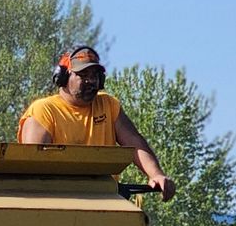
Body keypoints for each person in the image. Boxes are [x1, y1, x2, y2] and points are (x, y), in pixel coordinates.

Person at [17, 46, 177, 200]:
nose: (91, 81)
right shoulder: (43, 110)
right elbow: (34, 168)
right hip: (59, 201)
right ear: (63, 77)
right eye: (83, 75)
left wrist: (156, 175)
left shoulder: (108, 105)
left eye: (94, 75)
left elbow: (135, 143)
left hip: (104, 199)